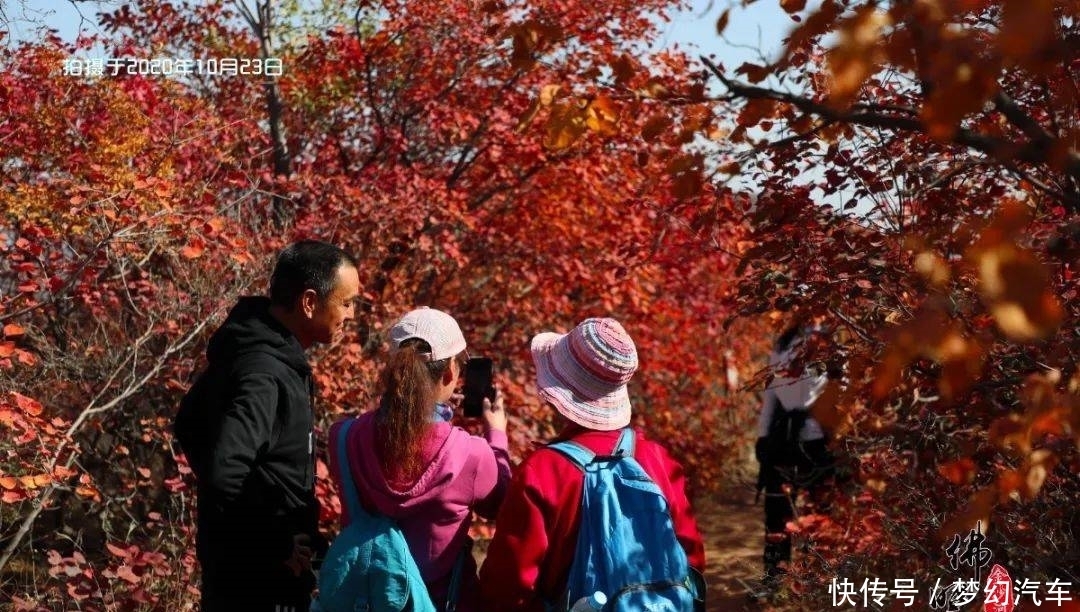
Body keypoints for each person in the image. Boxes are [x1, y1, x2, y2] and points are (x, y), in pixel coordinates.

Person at [174, 240, 360, 612]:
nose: (352, 315)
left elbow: (188, 423)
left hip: (255, 569)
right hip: (256, 582)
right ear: (310, 302)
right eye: (346, 302)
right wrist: (276, 542)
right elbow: (225, 469)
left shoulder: (258, 353)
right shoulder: (263, 371)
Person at [479, 317, 706, 612]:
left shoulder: (543, 470)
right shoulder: (657, 459)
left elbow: (508, 585)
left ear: (558, 390)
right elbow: (692, 558)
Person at [328, 307, 511, 612]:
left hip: (364, 601)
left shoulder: (342, 438)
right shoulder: (471, 454)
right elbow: (501, 504)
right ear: (451, 373)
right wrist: (497, 436)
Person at [754, 324, 836, 588]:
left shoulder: (824, 344)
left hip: (811, 438)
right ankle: (779, 580)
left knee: (815, 510)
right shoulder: (787, 344)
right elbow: (771, 397)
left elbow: (838, 393)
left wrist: (764, 436)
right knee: (781, 511)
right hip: (788, 438)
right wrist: (764, 437)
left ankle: (811, 579)